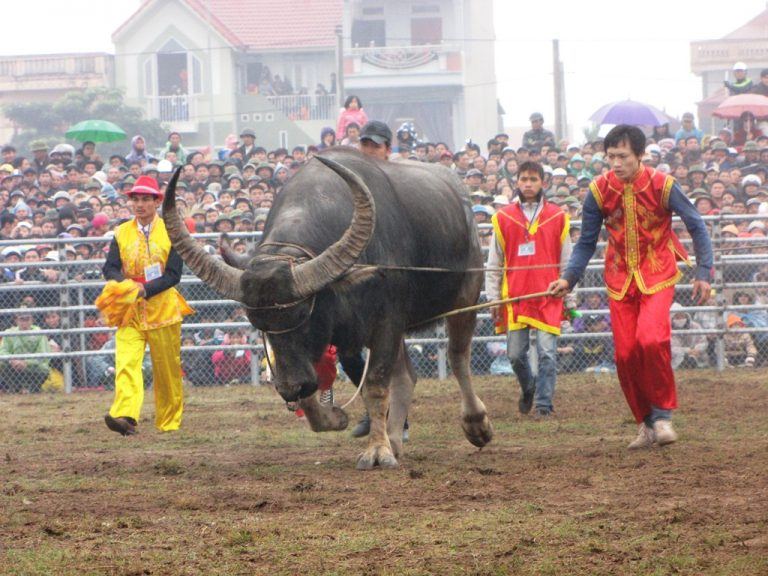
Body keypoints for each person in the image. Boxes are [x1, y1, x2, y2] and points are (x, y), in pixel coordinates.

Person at [549, 125, 713, 449]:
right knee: (624, 354)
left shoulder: (663, 185)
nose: (616, 163)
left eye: (622, 156)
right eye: (610, 156)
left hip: (657, 274)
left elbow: (696, 224)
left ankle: (663, 414)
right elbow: (585, 243)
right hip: (619, 279)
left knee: (650, 340)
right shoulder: (598, 190)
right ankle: (646, 422)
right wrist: (568, 278)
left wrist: (704, 270)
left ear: (640, 155)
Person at [98, 175, 194, 436]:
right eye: (135, 199)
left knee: (167, 369)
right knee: (126, 362)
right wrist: (126, 286)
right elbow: (110, 267)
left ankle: (169, 422)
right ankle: (125, 416)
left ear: (156, 202)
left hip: (162, 309)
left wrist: (145, 289)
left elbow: (174, 275)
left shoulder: (171, 232)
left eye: (145, 199)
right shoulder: (121, 232)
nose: (139, 205)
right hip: (129, 310)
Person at [486, 161, 572, 417]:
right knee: (515, 355)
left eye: (533, 179)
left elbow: (567, 259)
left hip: (550, 295)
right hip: (516, 296)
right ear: (516, 183)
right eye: (524, 179)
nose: (528, 183)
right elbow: (494, 261)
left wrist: (571, 294)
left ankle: (544, 405)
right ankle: (529, 387)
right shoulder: (503, 218)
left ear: (542, 183)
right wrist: (493, 298)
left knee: (547, 353)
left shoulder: (558, 217)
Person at [0, 308, 51, 393]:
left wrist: (26, 362)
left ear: (32, 320)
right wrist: (12, 360)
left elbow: (43, 355)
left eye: (27, 319)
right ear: (16, 320)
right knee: (2, 364)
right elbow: (2, 351)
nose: (24, 322)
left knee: (44, 369)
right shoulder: (9, 332)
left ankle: (32, 389)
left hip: (32, 367)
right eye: (21, 319)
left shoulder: (39, 332)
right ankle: (14, 389)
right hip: (14, 366)